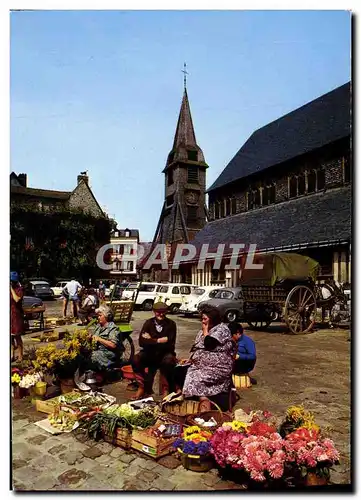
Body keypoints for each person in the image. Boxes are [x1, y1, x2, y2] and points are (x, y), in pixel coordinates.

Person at [180, 305, 236, 412]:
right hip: (203, 365)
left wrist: (205, 331)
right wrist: (191, 359)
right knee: (179, 369)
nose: (203, 321)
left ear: (212, 318)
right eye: (202, 319)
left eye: (205, 319)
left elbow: (209, 344)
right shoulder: (205, 330)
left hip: (218, 368)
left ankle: (204, 406)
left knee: (194, 378)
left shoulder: (222, 329)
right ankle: (185, 402)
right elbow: (198, 347)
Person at [132, 302, 177, 400]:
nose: (161, 314)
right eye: (158, 312)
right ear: (154, 312)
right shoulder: (148, 323)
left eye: (163, 312)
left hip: (165, 354)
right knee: (136, 359)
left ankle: (166, 388)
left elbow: (169, 344)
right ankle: (141, 386)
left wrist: (151, 340)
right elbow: (142, 342)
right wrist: (158, 340)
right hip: (150, 353)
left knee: (168, 361)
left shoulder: (171, 324)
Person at [84, 304, 124, 372]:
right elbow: (94, 337)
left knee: (93, 356)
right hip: (99, 350)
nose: (98, 317)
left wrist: (99, 339)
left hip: (110, 353)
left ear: (106, 316)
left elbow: (113, 345)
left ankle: (109, 369)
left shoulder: (113, 328)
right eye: (98, 316)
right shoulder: (99, 326)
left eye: (100, 316)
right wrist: (90, 337)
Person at [10, 271, 24, 362]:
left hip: (16, 315)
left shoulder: (20, 289)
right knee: (10, 337)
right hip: (9, 314)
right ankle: (12, 356)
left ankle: (20, 356)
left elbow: (17, 299)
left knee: (17, 336)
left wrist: (11, 289)